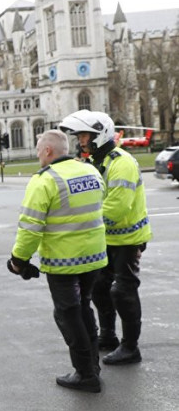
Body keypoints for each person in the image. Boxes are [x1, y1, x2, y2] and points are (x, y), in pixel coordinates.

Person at [8, 129, 107, 393]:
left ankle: (86, 374)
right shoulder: (91, 171)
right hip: (95, 257)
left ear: (48, 151)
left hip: (64, 262)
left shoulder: (44, 181)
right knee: (84, 308)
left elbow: (30, 227)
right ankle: (93, 367)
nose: (38, 154)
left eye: (39, 149)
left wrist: (18, 261)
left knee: (68, 313)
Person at [59, 110, 151, 365]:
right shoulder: (97, 163)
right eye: (80, 136)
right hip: (106, 240)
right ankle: (108, 336)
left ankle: (131, 347)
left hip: (128, 238)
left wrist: (84, 225)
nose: (81, 141)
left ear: (101, 134)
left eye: (85, 135)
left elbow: (117, 210)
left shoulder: (121, 163)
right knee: (100, 288)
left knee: (123, 291)